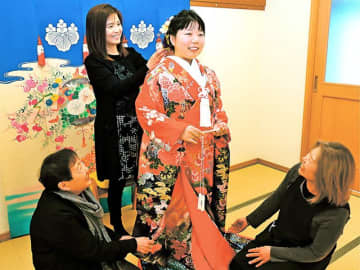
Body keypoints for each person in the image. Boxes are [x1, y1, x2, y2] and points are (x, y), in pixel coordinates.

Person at [133, 9, 234, 270]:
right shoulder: (160, 74)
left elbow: (217, 107)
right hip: (175, 155)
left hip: (204, 152)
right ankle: (172, 249)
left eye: (200, 34)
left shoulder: (209, 74)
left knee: (203, 202)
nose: (195, 39)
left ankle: (199, 245)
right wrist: (178, 130)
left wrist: (221, 123)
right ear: (172, 38)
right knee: (176, 204)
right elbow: (145, 110)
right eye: (188, 33)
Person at [84, 4, 168, 236]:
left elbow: (150, 73)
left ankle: (145, 218)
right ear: (97, 31)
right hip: (114, 130)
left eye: (118, 24)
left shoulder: (130, 55)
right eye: (110, 25)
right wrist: (147, 68)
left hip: (138, 125)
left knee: (142, 172)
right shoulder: (94, 62)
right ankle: (118, 224)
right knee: (117, 179)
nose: (116, 30)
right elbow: (115, 88)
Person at [228, 141, 355, 270]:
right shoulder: (297, 172)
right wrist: (248, 220)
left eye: (310, 159)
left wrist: (272, 253)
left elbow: (316, 253)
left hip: (303, 254)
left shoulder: (336, 212)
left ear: (325, 173)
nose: (304, 159)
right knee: (238, 265)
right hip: (279, 236)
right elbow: (277, 198)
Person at [30, 149, 155, 270]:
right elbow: (94, 251)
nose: (86, 169)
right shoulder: (57, 216)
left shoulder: (75, 195)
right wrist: (132, 245)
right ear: (64, 185)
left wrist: (118, 238)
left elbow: (92, 228)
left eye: (82, 163)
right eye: (79, 168)